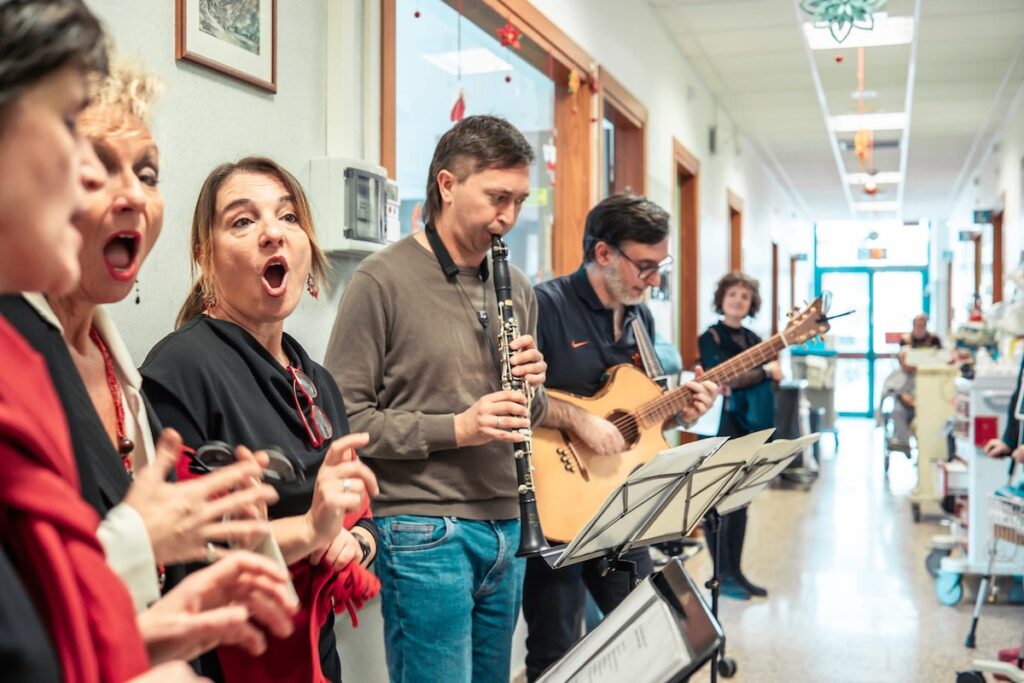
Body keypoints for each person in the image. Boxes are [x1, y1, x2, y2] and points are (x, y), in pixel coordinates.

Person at [0, 2, 297, 681]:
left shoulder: (125, 379)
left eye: (149, 172)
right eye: (89, 156)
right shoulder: (39, 356)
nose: (125, 192)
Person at [325, 115, 548, 683]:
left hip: (508, 526)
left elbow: (528, 415)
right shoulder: (380, 281)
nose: (509, 218)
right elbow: (345, 420)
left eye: (520, 201)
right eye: (497, 197)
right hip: (425, 529)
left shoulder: (516, 286)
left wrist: (536, 392)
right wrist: (458, 429)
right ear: (447, 184)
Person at [141, 156, 380, 683]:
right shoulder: (180, 369)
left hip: (313, 655)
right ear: (205, 257)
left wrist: (355, 543)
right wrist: (312, 531)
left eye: (288, 217)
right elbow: (185, 547)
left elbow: (356, 513)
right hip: (229, 658)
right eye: (243, 221)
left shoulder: (315, 376)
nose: (273, 232)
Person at [522, 193, 718, 681]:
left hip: (620, 506)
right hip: (557, 506)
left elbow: (635, 421)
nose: (653, 280)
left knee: (649, 630)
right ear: (604, 253)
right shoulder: (544, 306)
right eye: (645, 266)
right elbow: (514, 396)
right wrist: (578, 420)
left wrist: (680, 412)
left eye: (660, 267)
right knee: (556, 649)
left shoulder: (640, 318)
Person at [698, 271, 780, 601]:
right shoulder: (711, 337)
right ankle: (721, 576)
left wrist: (757, 375)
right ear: (721, 300)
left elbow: (753, 379)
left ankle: (737, 572)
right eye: (732, 294)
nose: (738, 301)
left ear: (751, 304)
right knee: (717, 504)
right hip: (720, 427)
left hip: (748, 427)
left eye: (744, 296)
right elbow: (724, 377)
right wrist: (764, 372)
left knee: (741, 501)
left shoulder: (752, 339)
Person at [885, 314, 944, 446]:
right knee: (898, 411)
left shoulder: (934, 340)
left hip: (927, 382)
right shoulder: (905, 341)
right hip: (907, 388)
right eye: (917, 326)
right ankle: (903, 442)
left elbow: (940, 360)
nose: (920, 329)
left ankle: (924, 446)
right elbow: (896, 382)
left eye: (922, 326)